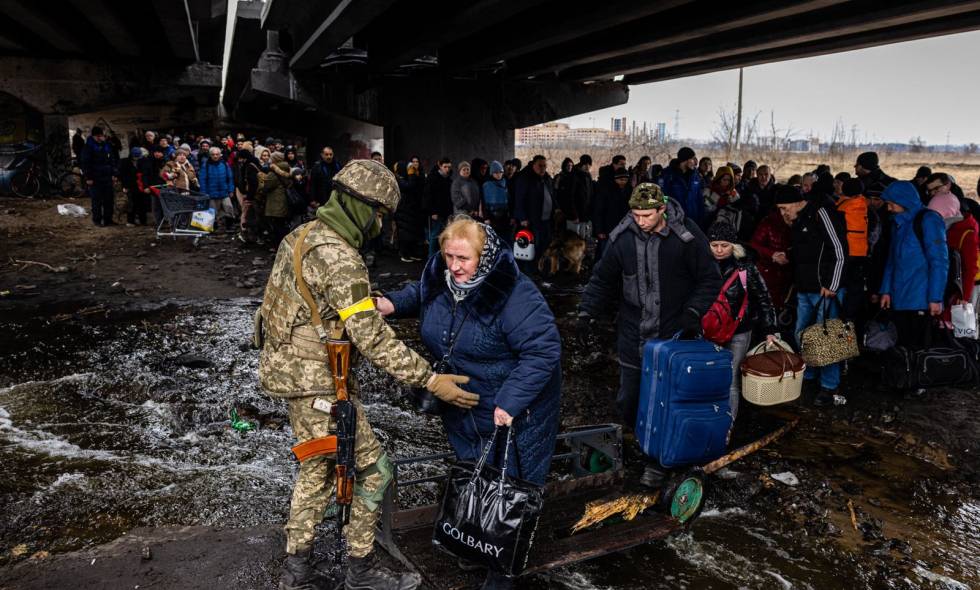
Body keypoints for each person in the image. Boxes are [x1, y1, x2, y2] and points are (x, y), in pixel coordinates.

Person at [257, 160, 476, 590]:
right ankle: (360, 570)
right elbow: (372, 339)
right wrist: (431, 380)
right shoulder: (340, 256)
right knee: (376, 470)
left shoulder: (302, 236)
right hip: (317, 381)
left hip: (292, 374)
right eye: (378, 214)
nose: (380, 224)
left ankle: (297, 571)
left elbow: (294, 306)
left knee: (318, 470)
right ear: (361, 206)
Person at [377, 217, 561, 590]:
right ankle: (475, 545)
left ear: (486, 255)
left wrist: (510, 402)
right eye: (449, 256)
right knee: (475, 474)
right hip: (463, 401)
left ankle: (501, 571)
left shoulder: (513, 293)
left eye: (464, 258)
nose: (455, 266)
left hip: (515, 408)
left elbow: (543, 351)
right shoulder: (441, 276)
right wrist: (392, 304)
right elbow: (422, 294)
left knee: (508, 487)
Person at [577, 183, 721, 487]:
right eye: (636, 214)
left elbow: (710, 279)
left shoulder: (686, 237)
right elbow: (602, 279)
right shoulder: (622, 239)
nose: (640, 220)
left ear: (662, 210)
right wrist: (586, 313)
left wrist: (693, 313)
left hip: (672, 335)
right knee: (629, 399)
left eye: (646, 215)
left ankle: (657, 462)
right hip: (633, 333)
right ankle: (635, 444)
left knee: (665, 401)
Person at [774, 184, 849, 407]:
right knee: (801, 335)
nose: (783, 213)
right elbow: (808, 249)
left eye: (784, 208)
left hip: (825, 290)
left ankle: (829, 386)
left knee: (826, 338)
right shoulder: (798, 221)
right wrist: (787, 255)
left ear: (798, 202)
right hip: (805, 288)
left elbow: (839, 250)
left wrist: (832, 284)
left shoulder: (821, 213)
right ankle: (809, 374)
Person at [879, 182, 949, 394]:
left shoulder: (928, 220)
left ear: (903, 203)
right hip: (901, 294)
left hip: (920, 295)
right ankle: (904, 378)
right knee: (903, 339)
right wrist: (886, 290)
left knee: (918, 341)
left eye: (891, 204)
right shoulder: (898, 223)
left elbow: (939, 261)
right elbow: (892, 259)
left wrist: (935, 297)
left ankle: (917, 382)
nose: (888, 208)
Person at [706, 221, 778, 419]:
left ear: (734, 246)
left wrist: (770, 329)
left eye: (725, 245)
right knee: (708, 375)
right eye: (714, 245)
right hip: (709, 330)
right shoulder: (701, 265)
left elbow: (764, 298)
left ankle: (726, 424)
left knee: (731, 380)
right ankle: (708, 419)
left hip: (739, 330)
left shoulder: (746, 268)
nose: (719, 250)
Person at [749, 207, 793, 313]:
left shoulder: (799, 222)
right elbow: (754, 245)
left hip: (787, 274)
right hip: (767, 271)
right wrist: (772, 255)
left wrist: (789, 255)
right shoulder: (769, 223)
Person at [515, 155, 555, 268]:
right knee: (532, 246)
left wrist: (556, 209)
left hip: (546, 220)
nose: (543, 168)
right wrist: (522, 218)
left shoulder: (546, 178)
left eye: (544, 166)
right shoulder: (525, 178)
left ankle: (540, 268)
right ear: (533, 165)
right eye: (540, 166)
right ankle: (529, 271)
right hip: (532, 220)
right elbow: (519, 199)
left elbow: (551, 196)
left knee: (545, 245)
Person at [80, 125, 119, 227]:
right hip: (95, 178)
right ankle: (97, 220)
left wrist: (114, 173)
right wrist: (88, 178)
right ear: (95, 136)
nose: (102, 138)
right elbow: (85, 163)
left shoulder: (106, 145)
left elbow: (112, 160)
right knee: (96, 200)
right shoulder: (88, 147)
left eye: (102, 136)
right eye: (100, 136)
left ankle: (108, 219)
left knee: (109, 200)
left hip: (107, 177)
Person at [659, 146, 704, 226]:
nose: (695, 162)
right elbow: (663, 198)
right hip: (676, 221)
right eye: (693, 159)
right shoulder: (669, 176)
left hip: (694, 221)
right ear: (686, 160)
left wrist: (701, 220)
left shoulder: (695, 176)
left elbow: (699, 199)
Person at [592, 168, 631, 260]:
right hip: (607, 228)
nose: (623, 182)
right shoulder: (606, 191)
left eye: (625, 180)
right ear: (615, 179)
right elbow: (598, 211)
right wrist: (600, 230)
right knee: (605, 253)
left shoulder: (629, 190)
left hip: (623, 228)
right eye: (621, 180)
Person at [393, 160, 426, 262]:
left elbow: (419, 185)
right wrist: (412, 175)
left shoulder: (408, 178)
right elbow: (409, 186)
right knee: (404, 234)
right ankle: (404, 254)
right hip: (403, 210)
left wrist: (416, 174)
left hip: (411, 210)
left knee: (412, 233)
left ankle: (411, 253)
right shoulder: (398, 179)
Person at [257, 152, 292, 246]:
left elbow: (266, 187)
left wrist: (261, 180)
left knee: (277, 225)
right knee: (282, 224)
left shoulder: (274, 173)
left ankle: (278, 245)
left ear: (275, 159)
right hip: (284, 200)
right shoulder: (287, 168)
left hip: (276, 202)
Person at [198, 146, 237, 231]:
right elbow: (202, 180)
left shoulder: (224, 164)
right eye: (213, 154)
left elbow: (230, 178)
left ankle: (229, 226)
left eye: (217, 154)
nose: (215, 156)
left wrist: (231, 190)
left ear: (220, 155)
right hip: (211, 193)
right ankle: (213, 227)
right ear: (210, 155)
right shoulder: (206, 165)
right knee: (212, 211)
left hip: (224, 192)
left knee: (229, 208)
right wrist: (204, 193)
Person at [422, 157, 453, 257]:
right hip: (436, 212)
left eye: (448, 167)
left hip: (446, 211)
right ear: (439, 165)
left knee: (443, 235)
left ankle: (439, 257)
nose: (447, 169)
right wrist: (432, 212)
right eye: (445, 167)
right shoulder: (432, 178)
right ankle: (431, 257)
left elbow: (448, 197)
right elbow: (428, 196)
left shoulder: (448, 178)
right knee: (435, 236)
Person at [481, 160, 511, 240]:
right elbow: (484, 202)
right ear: (492, 173)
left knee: (505, 239)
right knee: (494, 240)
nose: (499, 174)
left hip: (505, 217)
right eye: (496, 172)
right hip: (492, 217)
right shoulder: (486, 185)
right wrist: (486, 218)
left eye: (500, 172)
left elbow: (510, 200)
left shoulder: (506, 182)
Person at [118, 147, 147, 226]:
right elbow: (122, 176)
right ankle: (130, 221)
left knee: (142, 204)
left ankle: (143, 221)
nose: (137, 158)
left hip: (141, 185)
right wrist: (125, 186)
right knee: (131, 204)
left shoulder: (143, 161)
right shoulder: (125, 162)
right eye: (135, 157)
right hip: (130, 186)